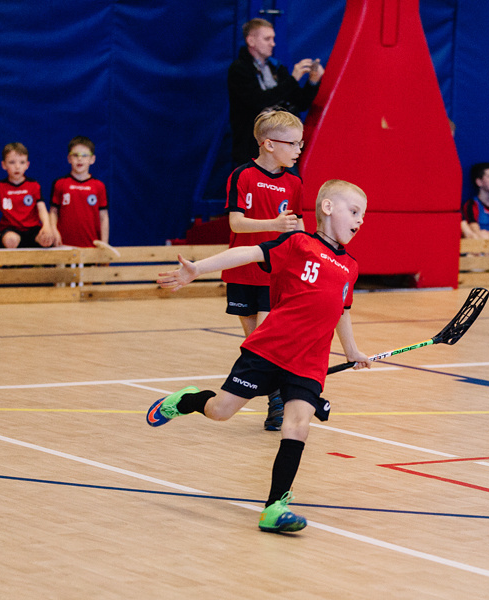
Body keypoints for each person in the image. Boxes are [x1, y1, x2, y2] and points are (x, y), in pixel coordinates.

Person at [147, 179, 371, 533]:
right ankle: (187, 400)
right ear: (327, 207)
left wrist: (352, 350)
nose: (360, 221)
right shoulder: (299, 243)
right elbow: (248, 253)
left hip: (309, 361)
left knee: (297, 426)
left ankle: (274, 507)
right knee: (220, 411)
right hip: (269, 349)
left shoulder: (351, 266)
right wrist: (198, 269)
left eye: (363, 216)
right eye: (354, 212)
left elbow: (342, 309)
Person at [223, 109, 306, 431]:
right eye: (293, 143)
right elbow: (236, 223)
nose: (299, 149)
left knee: (270, 341)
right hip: (244, 272)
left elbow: (298, 226)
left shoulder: (294, 182)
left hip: (276, 274)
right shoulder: (243, 176)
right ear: (269, 144)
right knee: (256, 343)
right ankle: (274, 395)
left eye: (301, 143)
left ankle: (278, 402)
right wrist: (274, 223)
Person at [228, 18, 324, 166]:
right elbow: (259, 101)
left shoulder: (276, 68)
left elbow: (301, 102)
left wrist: (313, 81)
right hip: (252, 149)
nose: (272, 43)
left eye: (273, 38)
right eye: (267, 39)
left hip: (283, 148)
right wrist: (293, 79)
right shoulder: (239, 69)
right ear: (251, 41)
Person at [0, 142, 55, 248]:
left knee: (48, 240)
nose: (17, 167)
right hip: (11, 230)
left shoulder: (34, 185)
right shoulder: (0, 186)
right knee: (11, 240)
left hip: (32, 230)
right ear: (4, 165)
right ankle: (12, 264)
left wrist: (47, 226)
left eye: (22, 162)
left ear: (27, 165)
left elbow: (42, 209)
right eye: (12, 162)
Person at [49, 136, 109, 248]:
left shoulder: (99, 186)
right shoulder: (60, 183)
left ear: (92, 159)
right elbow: (53, 212)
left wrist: (104, 244)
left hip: (90, 246)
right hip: (63, 246)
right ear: (69, 158)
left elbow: (103, 217)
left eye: (84, 155)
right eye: (75, 155)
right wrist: (54, 230)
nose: (80, 159)